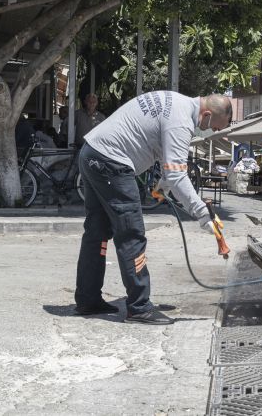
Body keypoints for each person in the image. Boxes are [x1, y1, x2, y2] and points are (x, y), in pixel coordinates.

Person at [75, 91, 232, 325]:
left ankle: (88, 299)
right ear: (207, 114)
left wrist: (163, 186)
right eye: (214, 127)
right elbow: (178, 174)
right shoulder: (180, 122)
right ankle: (139, 308)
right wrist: (202, 214)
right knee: (131, 233)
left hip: (92, 153)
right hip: (112, 163)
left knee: (96, 232)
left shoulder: (175, 102)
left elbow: (168, 161)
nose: (213, 132)